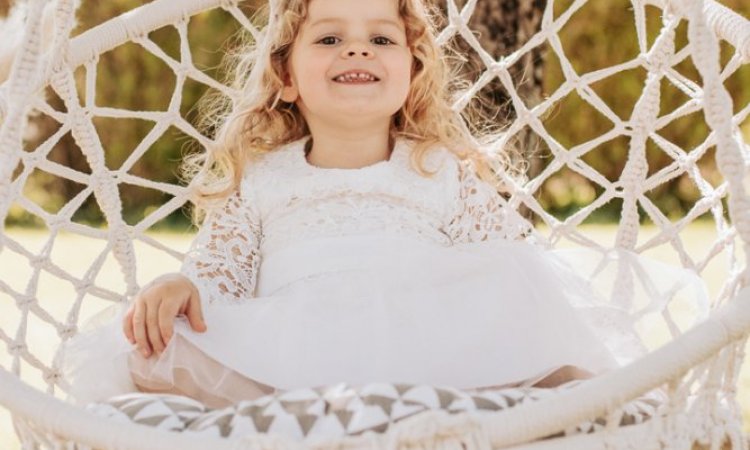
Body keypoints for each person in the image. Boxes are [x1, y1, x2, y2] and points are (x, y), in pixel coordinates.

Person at [60, 0, 709, 409]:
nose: (357, 49)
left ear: (410, 73)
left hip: (429, 340)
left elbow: (509, 261)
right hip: (297, 350)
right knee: (157, 344)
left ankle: (570, 399)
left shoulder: (437, 169)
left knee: (520, 287)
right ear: (286, 79)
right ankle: (319, 410)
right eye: (329, 38)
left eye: (380, 38)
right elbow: (217, 274)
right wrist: (181, 283)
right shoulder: (266, 179)